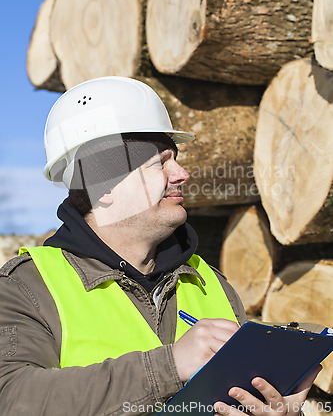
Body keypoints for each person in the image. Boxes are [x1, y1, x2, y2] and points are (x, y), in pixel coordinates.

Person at [0, 76, 320, 415]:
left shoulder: (209, 282)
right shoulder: (27, 287)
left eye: (175, 159)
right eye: (159, 163)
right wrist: (168, 367)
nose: (181, 173)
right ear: (102, 184)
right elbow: (12, 398)